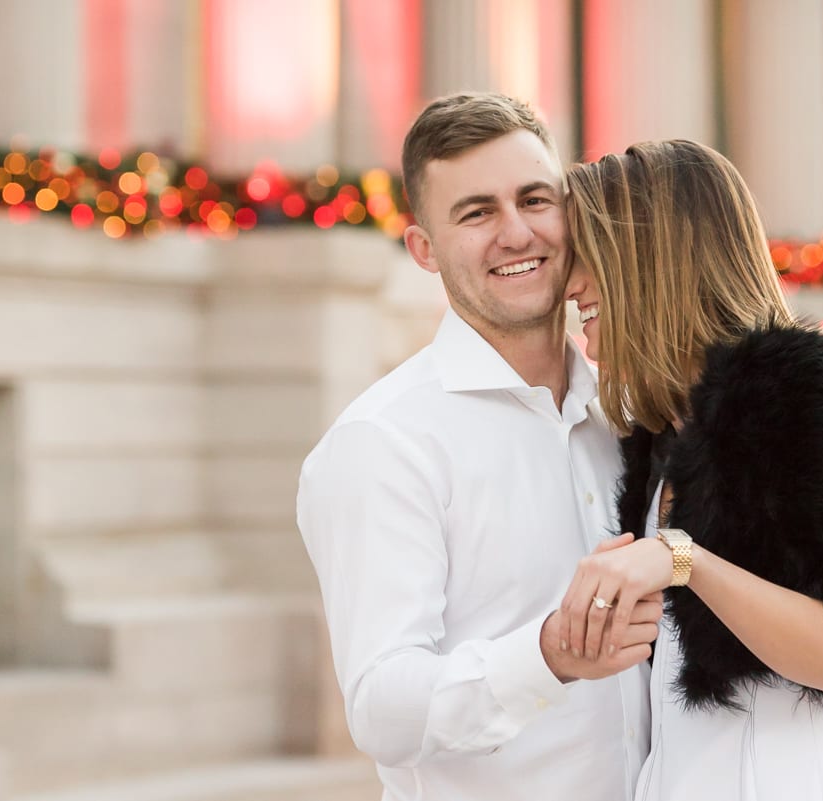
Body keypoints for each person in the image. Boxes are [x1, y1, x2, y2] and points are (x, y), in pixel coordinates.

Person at [297, 93, 659, 801]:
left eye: (534, 199)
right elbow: (382, 706)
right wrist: (550, 652)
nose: (516, 233)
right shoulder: (384, 443)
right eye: (477, 212)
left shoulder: (630, 414)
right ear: (424, 250)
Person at [559, 140, 823, 801]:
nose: (573, 283)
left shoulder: (802, 401)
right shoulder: (661, 437)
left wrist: (682, 559)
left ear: (652, 260)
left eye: (590, 254)